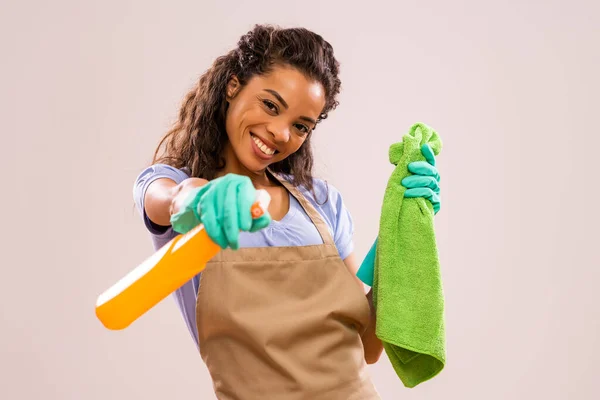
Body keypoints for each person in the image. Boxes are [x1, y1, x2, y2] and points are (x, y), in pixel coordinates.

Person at [133, 24, 441, 400]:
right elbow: (166, 200)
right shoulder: (171, 185)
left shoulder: (323, 202)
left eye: (300, 126)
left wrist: (399, 229)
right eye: (270, 105)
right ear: (233, 86)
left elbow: (367, 346)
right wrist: (197, 198)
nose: (281, 133)